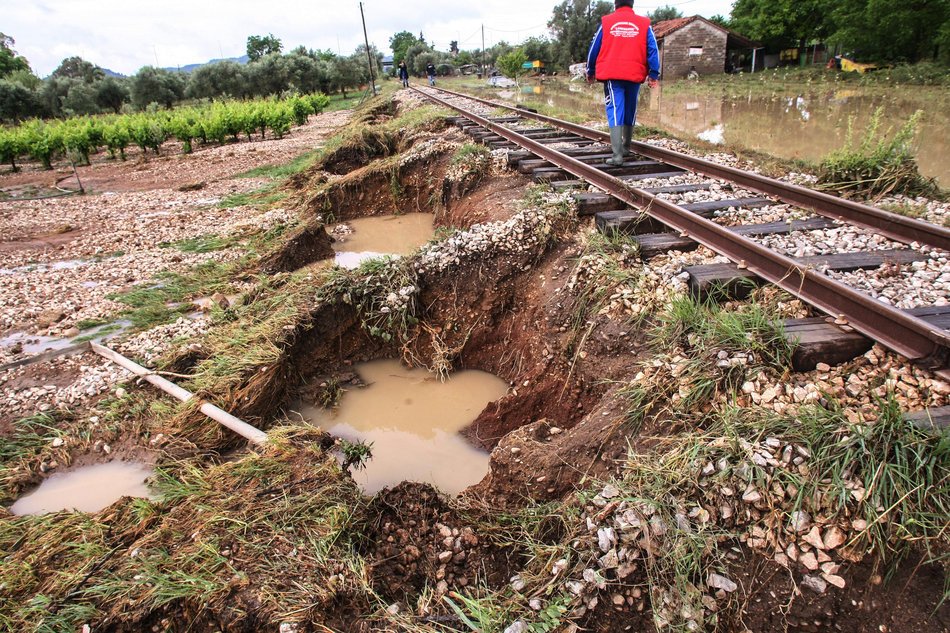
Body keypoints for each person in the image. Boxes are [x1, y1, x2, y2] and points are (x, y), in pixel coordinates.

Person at [586, 0, 660, 165]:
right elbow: (653, 49)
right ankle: (626, 148)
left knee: (615, 108)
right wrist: (654, 73)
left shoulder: (606, 22)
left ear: (615, 4)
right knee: (630, 108)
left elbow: (594, 48)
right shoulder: (644, 24)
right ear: (632, 4)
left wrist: (590, 70)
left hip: (613, 74)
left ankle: (617, 156)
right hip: (635, 73)